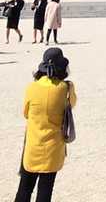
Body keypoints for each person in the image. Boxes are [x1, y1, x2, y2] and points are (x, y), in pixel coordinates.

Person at [16, 47, 76, 202]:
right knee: (46, 189)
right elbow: (72, 104)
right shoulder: (66, 88)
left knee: (25, 188)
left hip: (33, 145)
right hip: (53, 148)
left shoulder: (32, 87)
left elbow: (25, 113)